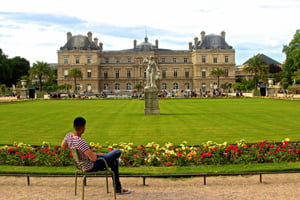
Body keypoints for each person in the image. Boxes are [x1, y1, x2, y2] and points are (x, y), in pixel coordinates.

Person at [61, 117, 131, 194]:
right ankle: (117, 188)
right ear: (84, 128)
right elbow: (94, 159)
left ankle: (118, 187)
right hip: (90, 166)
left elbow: (63, 147)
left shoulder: (69, 136)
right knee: (117, 152)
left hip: (82, 164)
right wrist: (97, 155)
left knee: (114, 161)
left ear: (73, 126)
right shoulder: (81, 142)